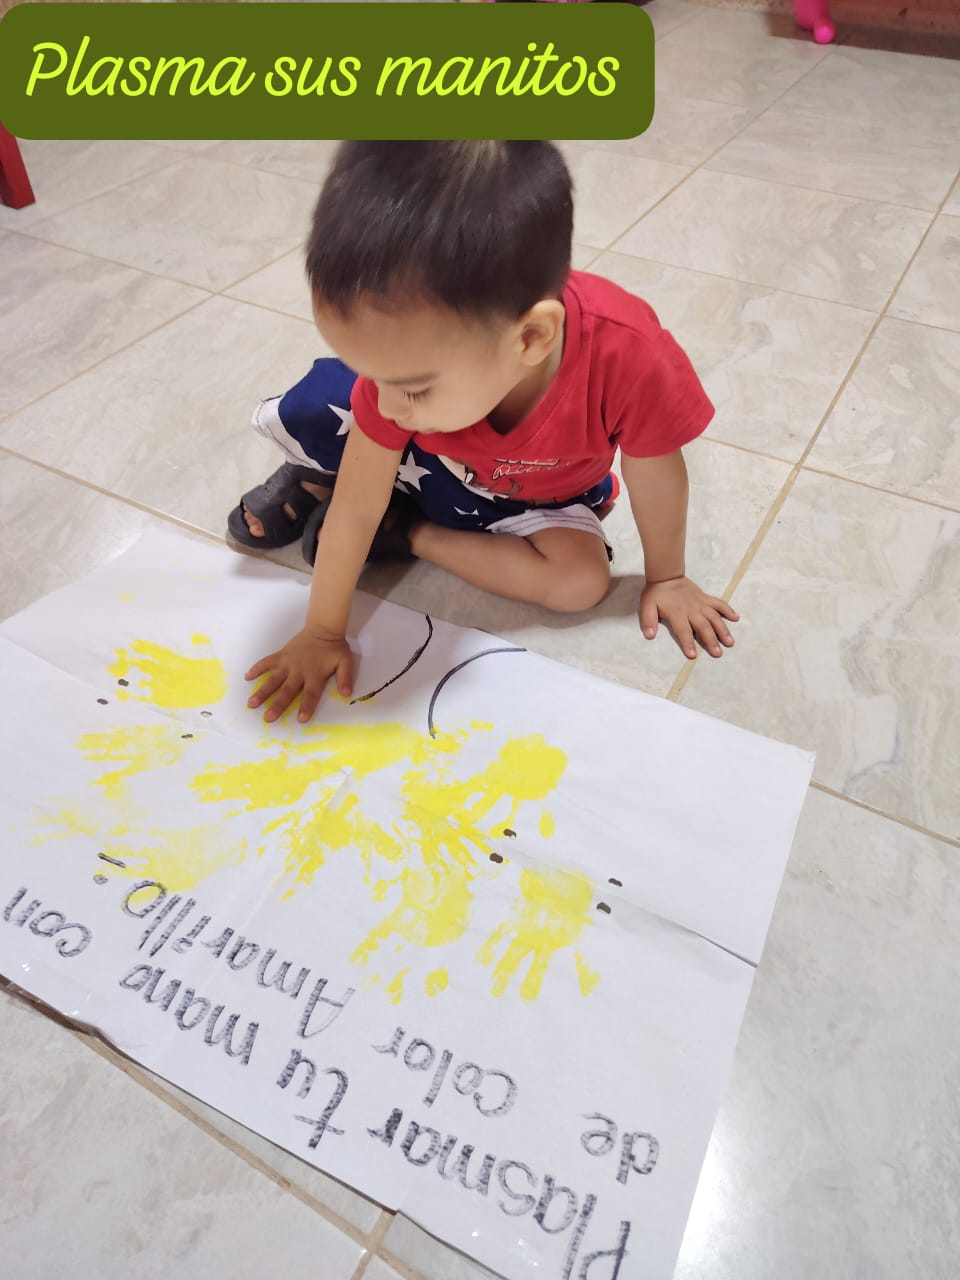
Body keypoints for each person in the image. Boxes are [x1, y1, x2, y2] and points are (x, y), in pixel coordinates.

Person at [234, 141, 738, 724]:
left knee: (579, 584)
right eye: (373, 374)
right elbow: (356, 505)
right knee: (330, 411)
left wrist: (668, 578)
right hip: (428, 461)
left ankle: (406, 530)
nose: (386, 403)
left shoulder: (629, 354)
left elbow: (657, 476)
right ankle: (314, 473)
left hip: (533, 491)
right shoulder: (397, 387)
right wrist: (323, 631)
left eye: (414, 387)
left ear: (531, 339)